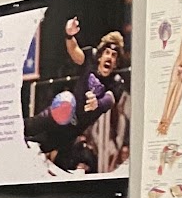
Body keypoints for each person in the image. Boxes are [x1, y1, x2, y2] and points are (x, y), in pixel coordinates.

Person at [23, 16, 127, 172]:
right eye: (107, 53)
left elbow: (110, 99)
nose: (109, 58)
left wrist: (97, 103)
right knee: (30, 126)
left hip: (74, 128)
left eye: (114, 55)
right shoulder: (91, 57)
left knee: (42, 145)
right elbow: (74, 52)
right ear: (100, 56)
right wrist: (69, 35)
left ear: (116, 63)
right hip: (63, 110)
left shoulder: (116, 81)